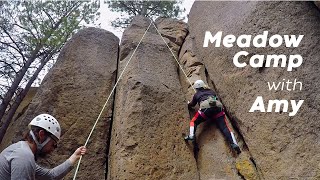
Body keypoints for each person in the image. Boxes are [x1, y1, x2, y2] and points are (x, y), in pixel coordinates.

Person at [0, 114, 87, 179]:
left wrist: (75, 156)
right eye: (53, 144)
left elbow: (50, 175)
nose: (53, 149)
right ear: (41, 134)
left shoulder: (21, 150)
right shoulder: (24, 157)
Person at [185, 80, 241, 154]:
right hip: (217, 107)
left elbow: (192, 104)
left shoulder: (197, 94)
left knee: (193, 121)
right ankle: (234, 143)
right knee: (225, 127)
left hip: (206, 108)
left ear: (196, 88)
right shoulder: (211, 91)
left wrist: (188, 103)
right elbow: (215, 99)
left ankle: (191, 135)